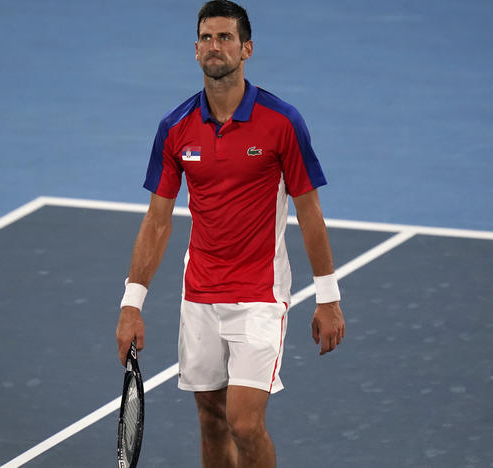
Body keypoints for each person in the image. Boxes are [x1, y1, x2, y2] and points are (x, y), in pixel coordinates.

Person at [115, 1, 345, 466]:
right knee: (211, 420)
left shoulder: (282, 123)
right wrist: (131, 304)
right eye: (206, 38)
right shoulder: (175, 128)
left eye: (225, 37)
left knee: (243, 421)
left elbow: (310, 211)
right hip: (199, 293)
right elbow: (157, 220)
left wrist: (328, 297)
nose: (214, 46)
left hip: (260, 294)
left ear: (247, 48)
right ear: (195, 50)